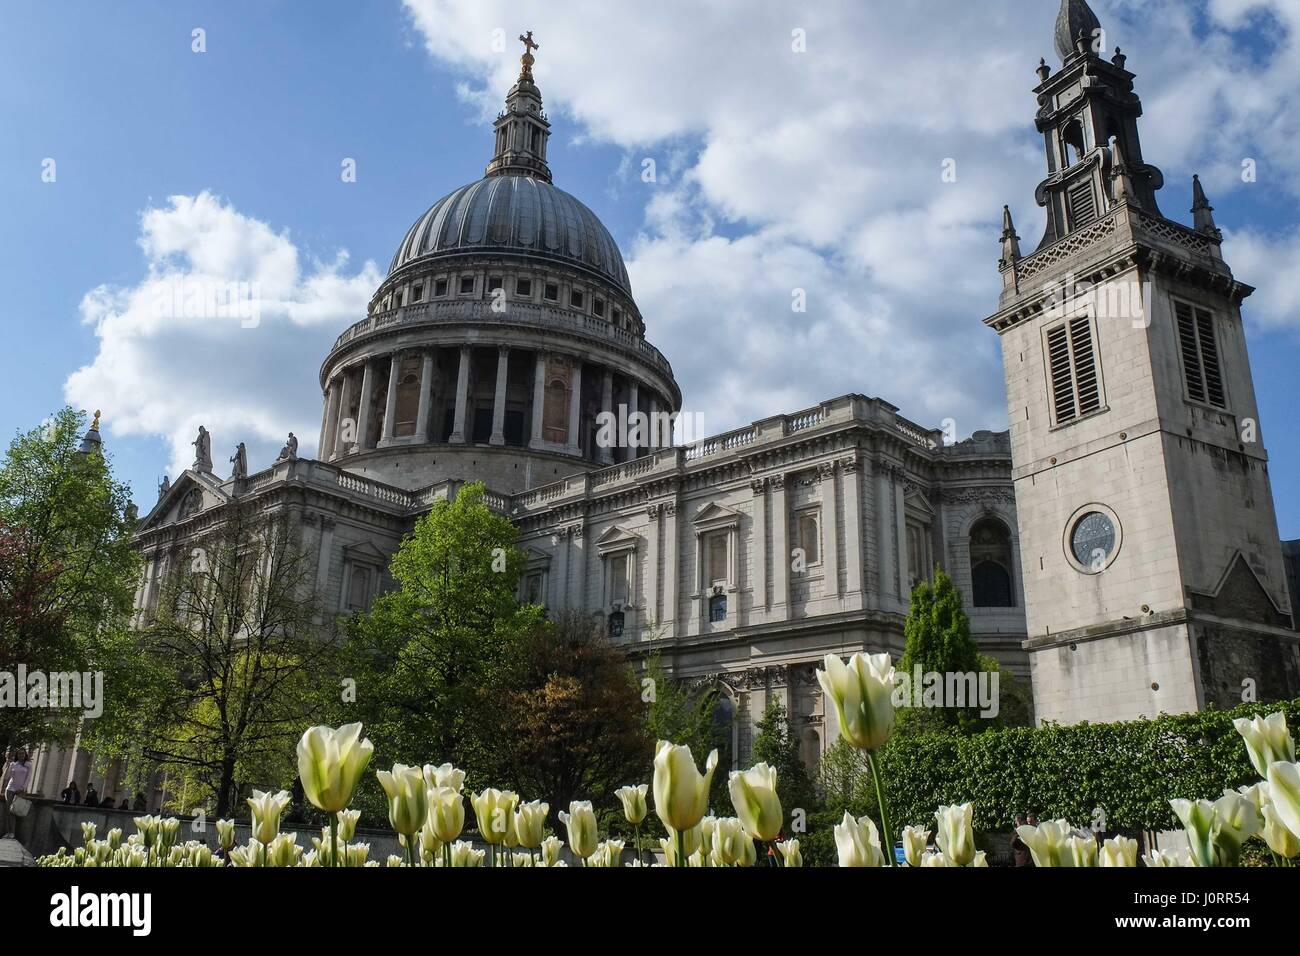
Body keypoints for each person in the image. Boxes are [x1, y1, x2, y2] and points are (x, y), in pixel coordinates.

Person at [1, 749, 32, 838]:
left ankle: (13, 833)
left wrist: (23, 788)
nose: (21, 755)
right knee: (9, 811)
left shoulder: (28, 765)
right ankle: (8, 832)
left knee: (16, 811)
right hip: (10, 789)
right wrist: (8, 766)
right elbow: (7, 777)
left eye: (22, 753)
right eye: (19, 754)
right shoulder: (13, 764)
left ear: (25, 754)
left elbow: (28, 778)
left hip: (20, 790)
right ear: (17, 755)